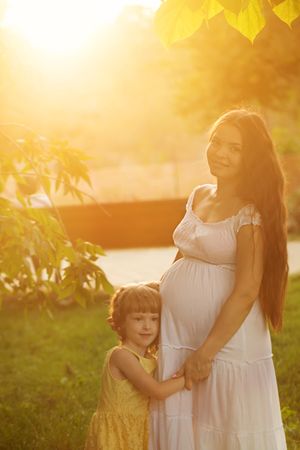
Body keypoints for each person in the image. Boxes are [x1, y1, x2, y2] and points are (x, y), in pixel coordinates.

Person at [150, 109, 288, 450]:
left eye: (234, 148)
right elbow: (185, 253)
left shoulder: (250, 213)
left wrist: (206, 352)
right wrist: (158, 300)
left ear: (251, 157)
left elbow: (246, 291)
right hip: (180, 334)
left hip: (223, 343)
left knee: (224, 426)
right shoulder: (199, 195)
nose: (220, 152)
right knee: (187, 420)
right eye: (216, 141)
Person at [84, 282, 185, 450]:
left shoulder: (150, 358)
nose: (147, 326)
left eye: (154, 319)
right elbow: (157, 391)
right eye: (138, 318)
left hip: (136, 429)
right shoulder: (122, 356)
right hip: (116, 431)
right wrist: (189, 377)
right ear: (121, 321)